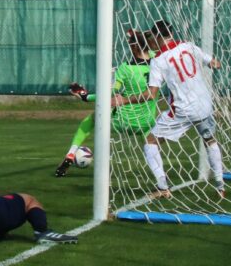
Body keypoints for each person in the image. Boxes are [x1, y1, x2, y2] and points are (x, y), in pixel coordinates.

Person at [112, 20, 224, 199]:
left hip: (183, 110)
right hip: (204, 105)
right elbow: (215, 64)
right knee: (209, 139)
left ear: (157, 36)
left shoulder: (159, 60)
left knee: (150, 141)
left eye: (152, 37)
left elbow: (150, 94)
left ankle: (163, 187)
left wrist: (123, 100)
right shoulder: (189, 46)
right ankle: (220, 185)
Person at [55, 29, 157, 177]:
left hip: (122, 122)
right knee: (150, 142)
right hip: (147, 122)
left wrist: (85, 96)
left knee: (92, 118)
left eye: (130, 45)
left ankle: (71, 154)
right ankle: (161, 180)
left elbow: (108, 94)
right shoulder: (157, 63)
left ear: (134, 47)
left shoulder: (125, 69)